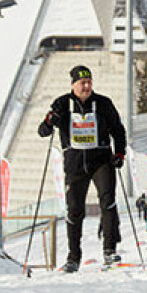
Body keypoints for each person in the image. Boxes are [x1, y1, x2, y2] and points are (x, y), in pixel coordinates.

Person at [38, 65, 126, 272]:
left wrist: (120, 153)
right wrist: (50, 122)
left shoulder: (103, 103)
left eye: (89, 82)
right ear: (73, 84)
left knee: (108, 202)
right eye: (82, 83)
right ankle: (73, 258)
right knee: (74, 210)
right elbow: (43, 131)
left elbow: (118, 130)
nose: (86, 86)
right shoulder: (62, 103)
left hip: (101, 161)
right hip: (75, 165)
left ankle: (109, 250)